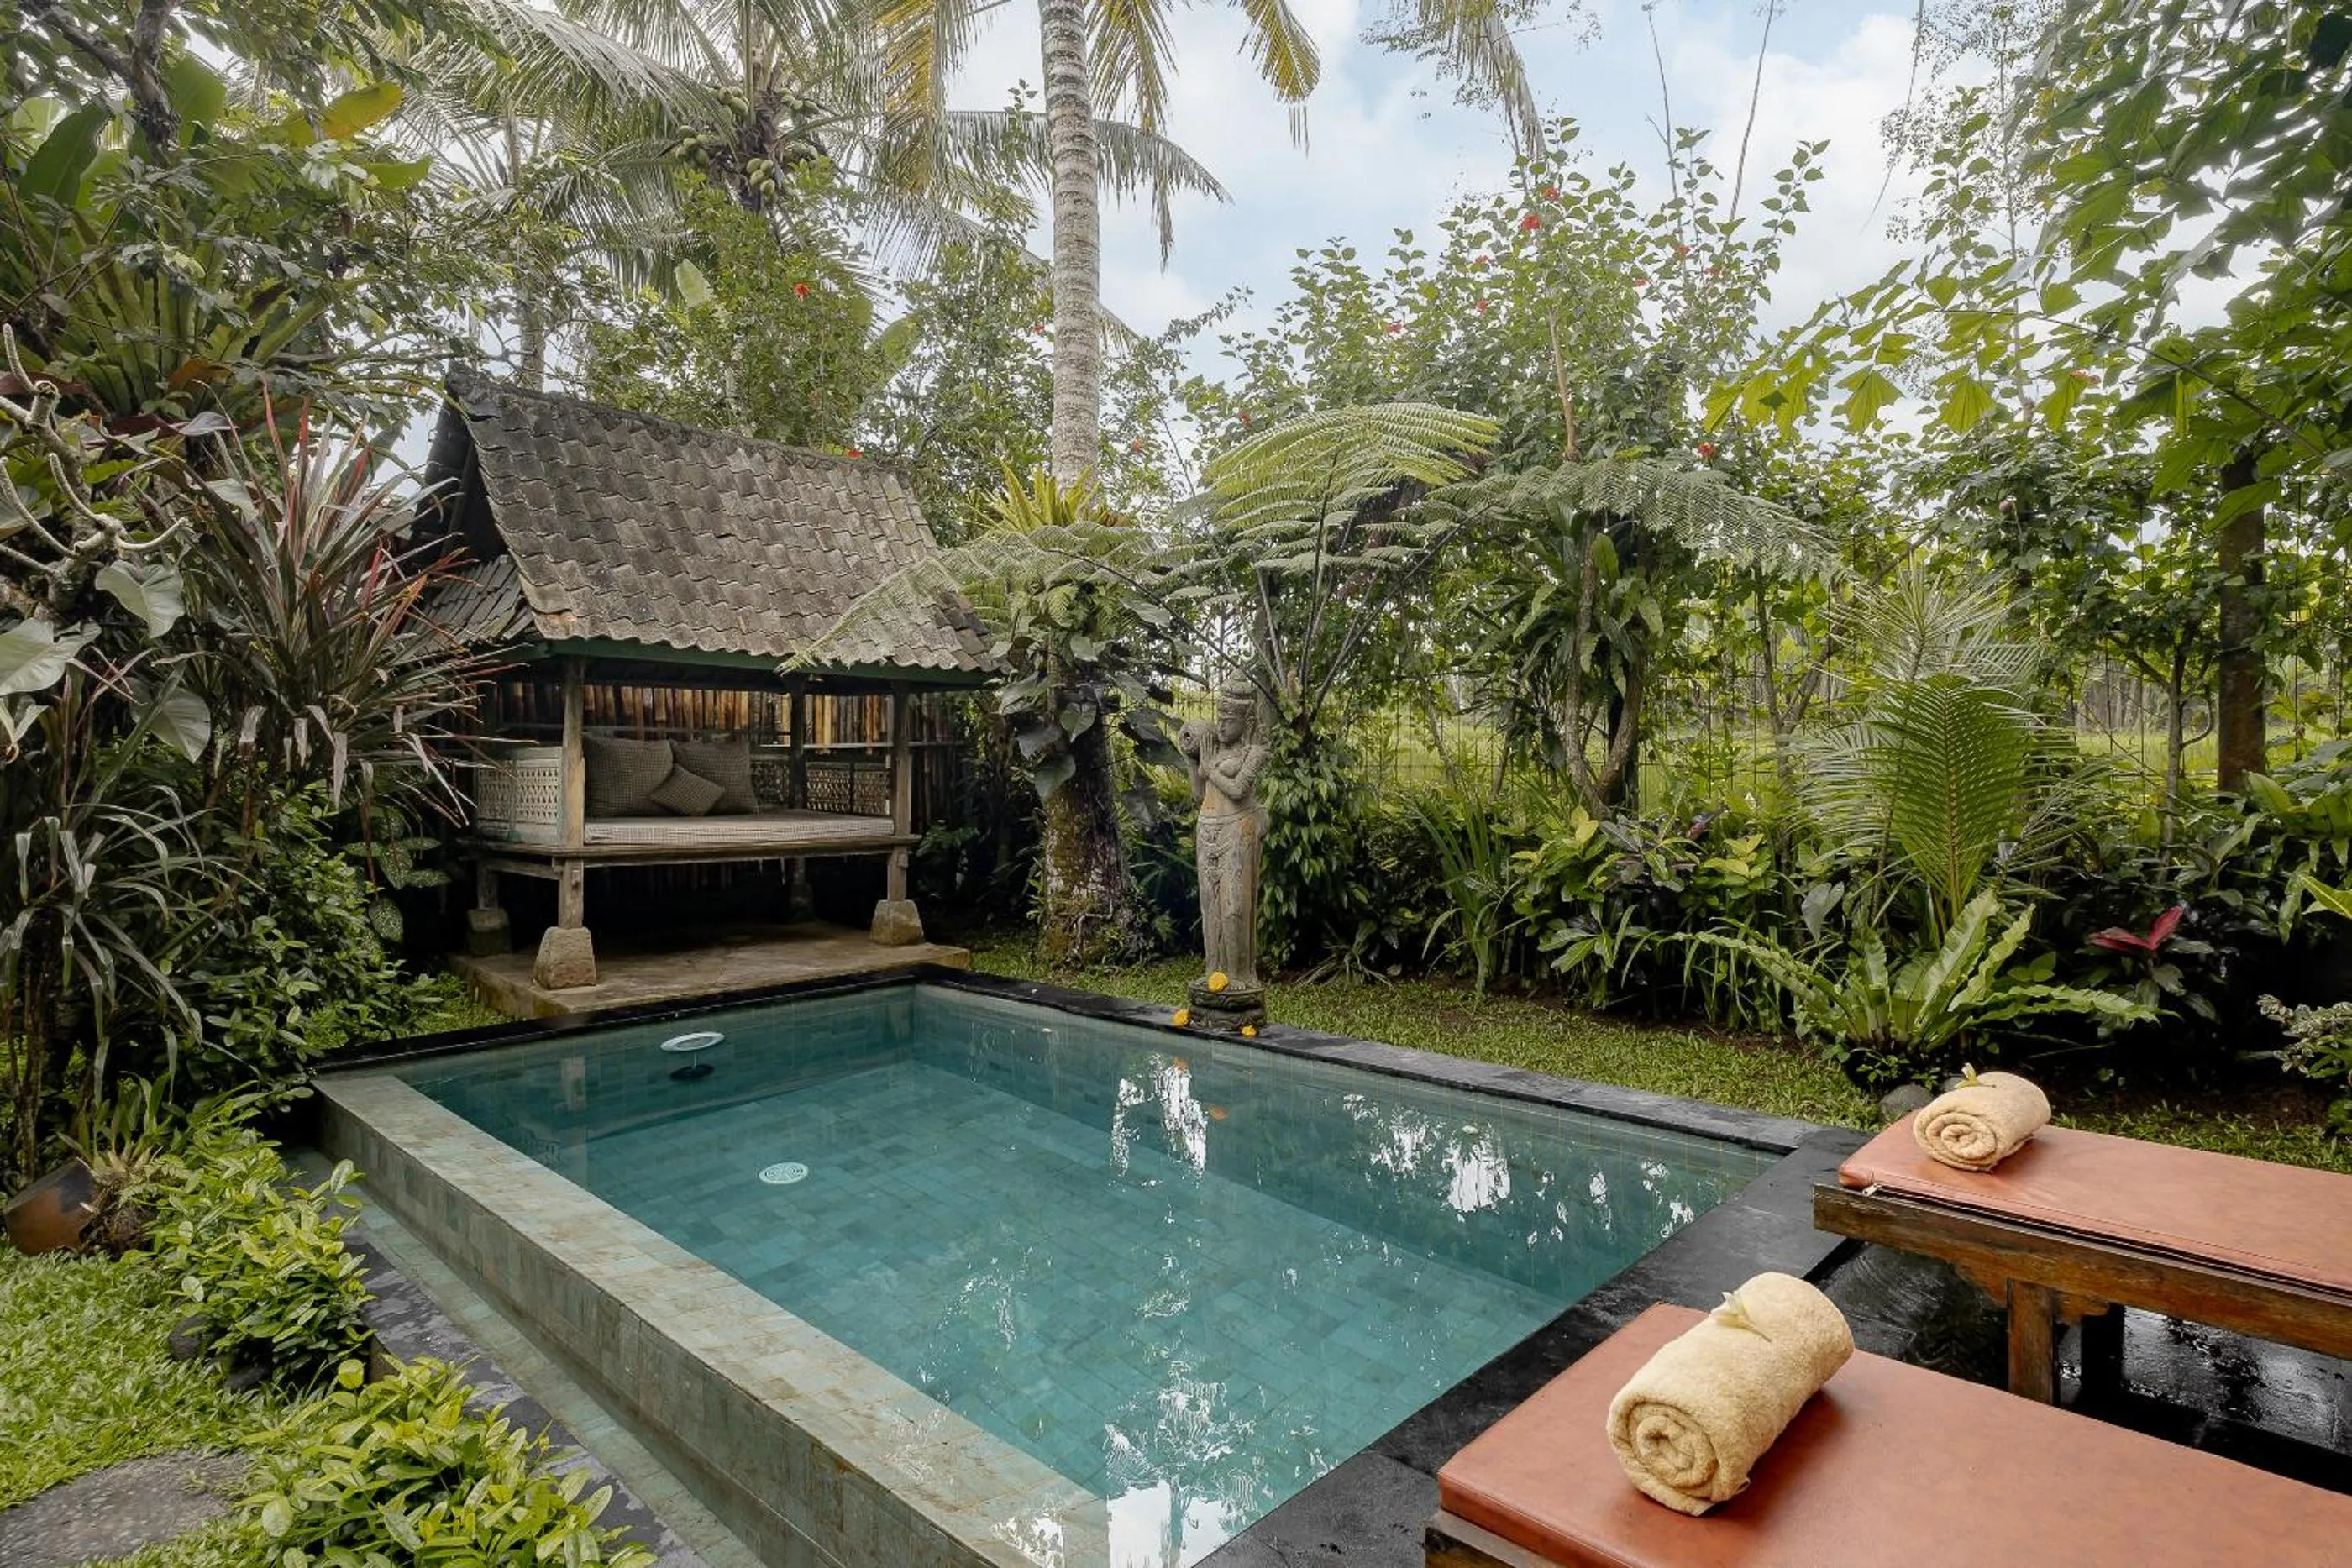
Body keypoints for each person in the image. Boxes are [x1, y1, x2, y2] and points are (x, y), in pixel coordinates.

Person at [1178, 677, 1270, 1004]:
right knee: (1210, 904)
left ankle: (1239, 973)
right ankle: (1213, 969)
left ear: (1247, 722)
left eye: (1229, 719)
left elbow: (1238, 790)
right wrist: (1191, 760)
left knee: (1234, 906)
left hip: (1238, 827)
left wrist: (1208, 769)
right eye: (1219, 717)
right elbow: (1198, 794)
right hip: (1208, 827)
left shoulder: (1254, 752)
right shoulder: (1212, 748)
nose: (1221, 725)